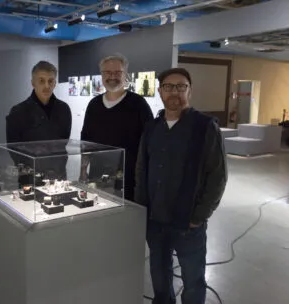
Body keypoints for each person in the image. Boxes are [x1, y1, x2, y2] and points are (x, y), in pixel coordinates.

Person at [135, 68, 228, 304]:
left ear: (190, 90)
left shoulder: (205, 127)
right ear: (160, 91)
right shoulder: (152, 128)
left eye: (180, 86)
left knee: (193, 279)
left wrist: (199, 216)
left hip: (188, 221)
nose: (174, 92)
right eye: (168, 87)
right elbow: (141, 170)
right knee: (159, 274)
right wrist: (141, 210)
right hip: (155, 219)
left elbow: (218, 177)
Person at [80, 54, 153, 202]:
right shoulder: (93, 105)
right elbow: (86, 140)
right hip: (98, 177)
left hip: (129, 180)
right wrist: (83, 170)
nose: (112, 76)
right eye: (107, 72)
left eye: (117, 72)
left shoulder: (138, 104)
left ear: (125, 75)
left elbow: (150, 143)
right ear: (101, 75)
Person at [6, 61, 72, 181]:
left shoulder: (64, 109)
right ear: (33, 83)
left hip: (58, 176)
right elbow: (13, 149)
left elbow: (63, 143)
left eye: (50, 81)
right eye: (41, 81)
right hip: (30, 178)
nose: (47, 86)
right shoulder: (18, 111)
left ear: (55, 83)